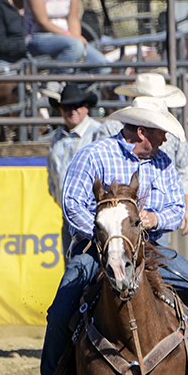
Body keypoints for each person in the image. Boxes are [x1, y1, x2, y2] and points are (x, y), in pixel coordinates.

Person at [28, 96, 188, 375]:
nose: (165, 140)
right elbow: (72, 204)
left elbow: (175, 209)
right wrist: (109, 233)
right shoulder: (95, 155)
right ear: (143, 131)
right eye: (162, 133)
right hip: (97, 249)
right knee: (61, 310)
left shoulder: (162, 163)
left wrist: (153, 218)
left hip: (151, 250)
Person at [111, 72, 188, 240]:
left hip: (158, 215)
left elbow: (184, 167)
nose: (163, 139)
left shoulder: (168, 131)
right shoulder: (112, 130)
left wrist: (187, 209)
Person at [47, 84, 121, 253]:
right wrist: (63, 202)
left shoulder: (98, 133)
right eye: (67, 107)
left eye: (77, 106)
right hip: (68, 215)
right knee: (72, 264)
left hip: (92, 214)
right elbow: (52, 176)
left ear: (85, 108)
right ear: (60, 109)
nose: (72, 111)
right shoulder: (57, 137)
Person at [24, 0, 109, 86]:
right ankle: (53, 83)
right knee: (74, 45)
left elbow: (73, 18)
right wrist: (72, 37)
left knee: (103, 66)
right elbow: (42, 22)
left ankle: (70, 90)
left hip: (69, 37)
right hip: (40, 37)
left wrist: (77, 40)